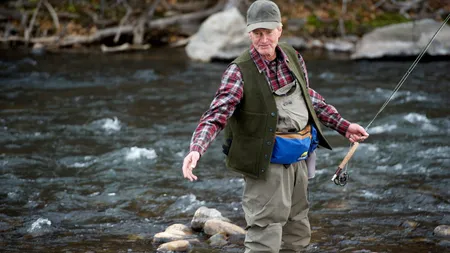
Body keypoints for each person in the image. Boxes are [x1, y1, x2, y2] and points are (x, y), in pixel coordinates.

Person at [182, 0, 369, 252]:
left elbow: (308, 97)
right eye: (257, 33)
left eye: (268, 32)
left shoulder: (293, 56)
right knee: (264, 231)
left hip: (299, 157)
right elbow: (217, 113)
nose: (262, 39)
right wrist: (197, 148)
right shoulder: (238, 72)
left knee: (298, 226)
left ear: (279, 30)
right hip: (265, 163)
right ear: (249, 33)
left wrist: (344, 126)